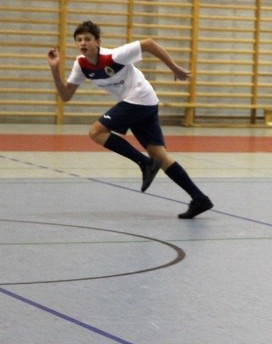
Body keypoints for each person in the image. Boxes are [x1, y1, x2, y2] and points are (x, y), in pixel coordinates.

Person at [47, 20, 213, 219]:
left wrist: (174, 67)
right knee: (159, 156)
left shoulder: (114, 55)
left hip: (140, 98)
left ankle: (144, 164)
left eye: (88, 39)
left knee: (96, 132)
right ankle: (199, 198)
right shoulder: (81, 65)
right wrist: (55, 70)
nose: (83, 43)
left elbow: (149, 43)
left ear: (97, 41)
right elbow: (66, 95)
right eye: (79, 40)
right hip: (142, 103)